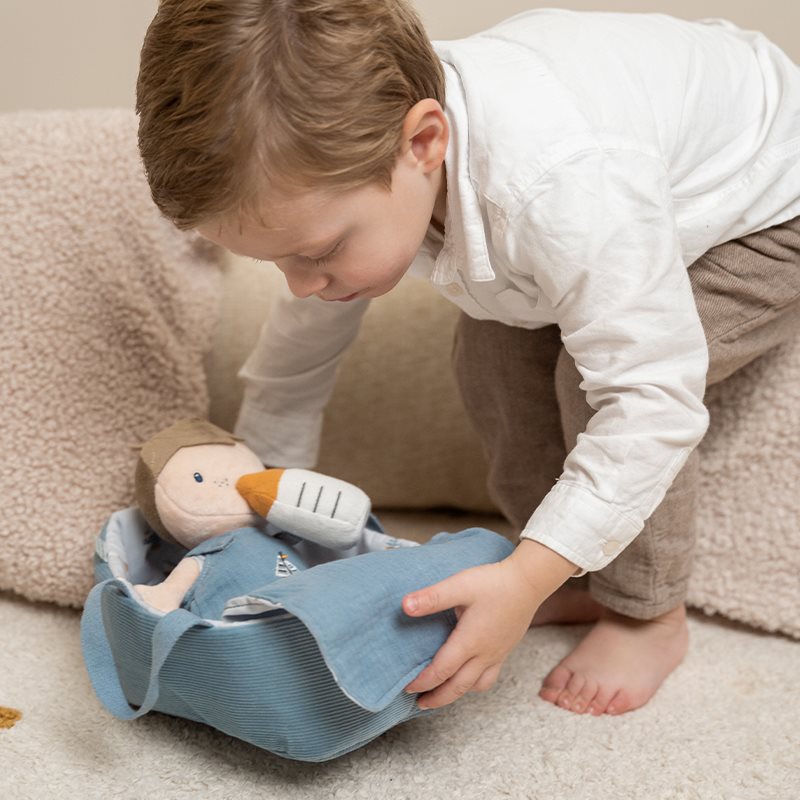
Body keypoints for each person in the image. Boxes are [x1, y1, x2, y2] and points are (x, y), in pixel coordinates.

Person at [135, 1, 800, 717]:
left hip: (768, 207)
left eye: (320, 252)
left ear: (424, 142)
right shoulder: (353, 155)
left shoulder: (562, 179)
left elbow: (653, 402)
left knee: (592, 385)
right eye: (276, 262)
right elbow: (300, 351)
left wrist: (524, 580)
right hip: (617, 197)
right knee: (489, 359)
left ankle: (647, 615)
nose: (300, 285)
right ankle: (572, 567)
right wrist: (264, 488)